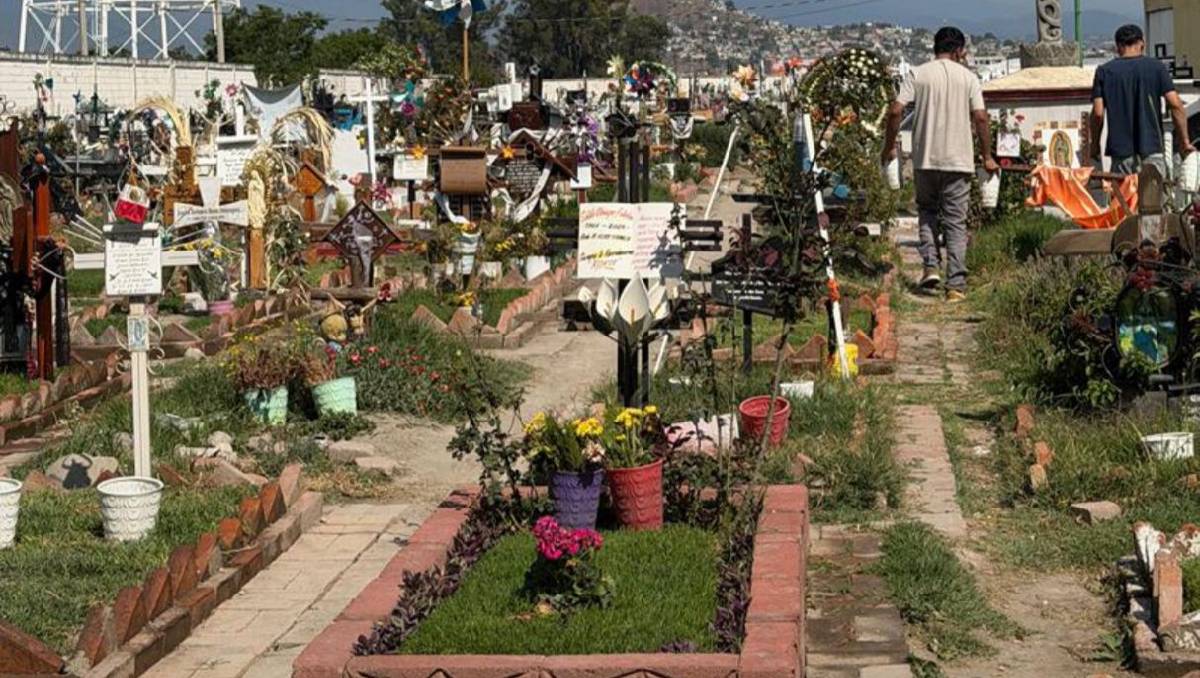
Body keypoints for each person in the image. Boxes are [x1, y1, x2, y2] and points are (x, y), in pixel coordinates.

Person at [882, 26, 997, 302]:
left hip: (925, 159)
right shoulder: (969, 78)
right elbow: (981, 117)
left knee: (927, 212)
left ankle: (931, 267)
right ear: (959, 51)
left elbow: (896, 110)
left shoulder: (918, 74)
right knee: (956, 222)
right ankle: (955, 284)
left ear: (936, 48)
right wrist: (987, 156)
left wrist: (889, 146)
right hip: (959, 161)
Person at [1089, 24, 1194, 177]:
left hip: (1121, 153)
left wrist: (1095, 145)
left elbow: (1098, 113)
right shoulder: (1157, 68)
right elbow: (1175, 104)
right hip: (1152, 148)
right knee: (1154, 191)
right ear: (1142, 43)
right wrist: (1185, 142)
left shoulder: (1104, 72)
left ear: (1118, 46)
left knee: (1124, 192)